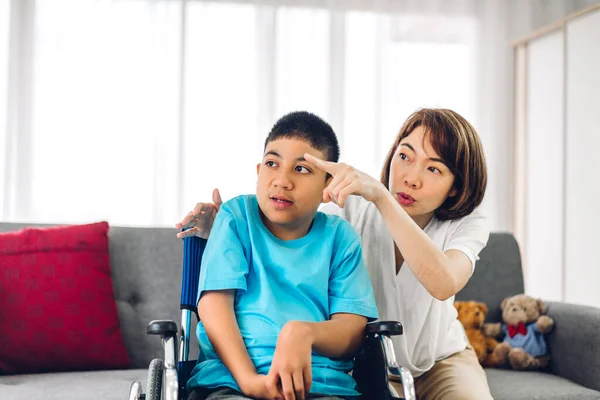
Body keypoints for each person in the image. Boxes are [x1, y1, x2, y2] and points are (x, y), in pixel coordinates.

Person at [178, 108, 493, 400]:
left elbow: (444, 282)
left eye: (434, 168)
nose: (410, 176)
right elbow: (288, 206)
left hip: (439, 359)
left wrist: (384, 199)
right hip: (374, 362)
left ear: (455, 186)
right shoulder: (344, 211)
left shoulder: (465, 224)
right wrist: (219, 227)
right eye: (404, 157)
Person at [182, 111, 379, 400]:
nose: (282, 181)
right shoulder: (236, 218)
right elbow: (213, 306)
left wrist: (303, 333)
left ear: (327, 184)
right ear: (259, 170)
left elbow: (352, 331)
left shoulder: (340, 237)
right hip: (231, 381)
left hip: (318, 384)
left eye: (301, 169)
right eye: (273, 164)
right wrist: (249, 381)